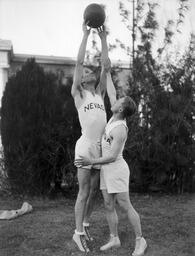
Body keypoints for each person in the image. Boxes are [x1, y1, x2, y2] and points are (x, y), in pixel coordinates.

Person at [75, 71, 147, 256]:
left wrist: (91, 161)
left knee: (125, 204)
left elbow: (112, 156)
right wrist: (106, 72)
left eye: (118, 102)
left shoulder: (121, 129)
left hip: (116, 169)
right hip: (107, 171)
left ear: (121, 109)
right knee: (108, 204)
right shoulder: (113, 118)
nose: (114, 101)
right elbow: (112, 91)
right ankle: (114, 238)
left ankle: (140, 240)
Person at [71, 21, 109, 253]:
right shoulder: (79, 94)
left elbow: (106, 66)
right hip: (85, 147)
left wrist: (104, 38)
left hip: (100, 149)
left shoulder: (100, 93)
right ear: (82, 80)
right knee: (84, 191)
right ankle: (77, 235)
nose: (88, 72)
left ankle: (85, 225)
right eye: (85, 73)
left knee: (94, 191)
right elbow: (78, 62)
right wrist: (85, 35)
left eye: (89, 71)